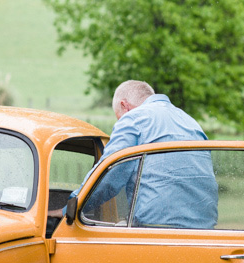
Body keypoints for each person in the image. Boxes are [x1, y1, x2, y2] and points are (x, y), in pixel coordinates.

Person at [51, 80, 218, 229]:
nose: (120, 122)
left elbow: (110, 175)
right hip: (204, 228)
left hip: (157, 228)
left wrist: (71, 208)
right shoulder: (191, 122)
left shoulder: (134, 119)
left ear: (125, 105)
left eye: (119, 118)